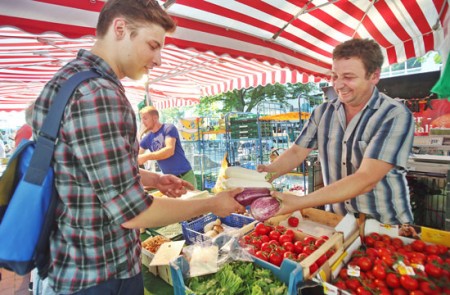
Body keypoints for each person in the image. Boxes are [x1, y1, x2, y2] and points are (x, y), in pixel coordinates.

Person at [31, 1, 244, 294]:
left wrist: (153, 179)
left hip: (68, 263)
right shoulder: (100, 95)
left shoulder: (66, 80)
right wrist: (211, 204)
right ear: (120, 28)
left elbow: (82, 169)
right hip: (101, 272)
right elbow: (133, 212)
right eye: (153, 45)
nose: (157, 60)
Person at [259, 38, 415, 225]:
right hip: (338, 221)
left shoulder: (394, 114)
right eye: (334, 76)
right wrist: (266, 175)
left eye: (348, 77)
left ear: (374, 76)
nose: (338, 85)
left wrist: (301, 202)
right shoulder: (323, 112)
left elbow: (366, 178)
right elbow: (296, 151)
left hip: (385, 225)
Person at [138, 106, 197, 189]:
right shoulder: (147, 138)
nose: (143, 122)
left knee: (192, 201)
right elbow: (136, 156)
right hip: (170, 181)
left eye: (145, 118)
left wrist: (146, 157)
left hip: (185, 176)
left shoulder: (168, 128)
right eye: (141, 119)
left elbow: (169, 151)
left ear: (155, 118)